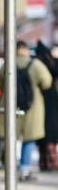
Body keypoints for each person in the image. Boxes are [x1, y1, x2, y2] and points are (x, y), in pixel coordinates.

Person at [0, 40, 53, 181]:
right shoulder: (36, 65)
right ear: (26, 49)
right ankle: (24, 169)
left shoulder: (7, 64)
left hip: (10, 105)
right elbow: (47, 82)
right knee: (29, 139)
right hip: (31, 106)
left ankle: (10, 168)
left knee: (10, 138)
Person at [34, 41, 58, 171]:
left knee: (42, 132)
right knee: (51, 133)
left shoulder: (36, 64)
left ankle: (44, 161)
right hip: (52, 101)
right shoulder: (52, 63)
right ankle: (52, 161)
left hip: (39, 100)